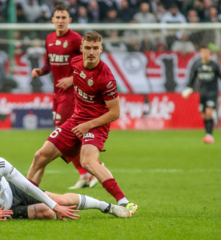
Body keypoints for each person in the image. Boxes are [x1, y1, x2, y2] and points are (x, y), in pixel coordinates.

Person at [27, 31, 138, 216]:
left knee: (87, 162)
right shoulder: (75, 62)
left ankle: (125, 202)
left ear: (101, 49)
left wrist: (88, 126)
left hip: (96, 124)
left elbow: (115, 113)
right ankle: (23, 196)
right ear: (81, 49)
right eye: (88, 48)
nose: (92, 52)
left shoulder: (106, 78)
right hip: (76, 120)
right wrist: (45, 71)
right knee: (40, 156)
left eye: (95, 48)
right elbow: (61, 66)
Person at [0, 145, 131, 221]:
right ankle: (53, 208)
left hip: (13, 192)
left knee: (61, 201)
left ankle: (107, 207)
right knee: (47, 213)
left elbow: (28, 186)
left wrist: (55, 205)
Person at [31, 5, 101, 189]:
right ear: (52, 20)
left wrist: (72, 79)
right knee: (65, 135)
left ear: (69, 20)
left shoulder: (76, 39)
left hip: (72, 95)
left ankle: (94, 167)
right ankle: (86, 174)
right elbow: (48, 63)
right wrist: (40, 71)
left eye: (64, 17)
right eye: (58, 17)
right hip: (57, 93)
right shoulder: (49, 39)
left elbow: (91, 63)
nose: (60, 20)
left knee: (63, 135)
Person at [182, 46, 221, 144]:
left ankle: (210, 135)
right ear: (200, 53)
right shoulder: (197, 65)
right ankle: (207, 134)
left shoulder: (214, 65)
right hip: (202, 93)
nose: (205, 54)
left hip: (212, 92)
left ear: (209, 53)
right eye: (203, 52)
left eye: (206, 52)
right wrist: (189, 88)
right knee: (204, 115)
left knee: (209, 112)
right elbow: (192, 78)